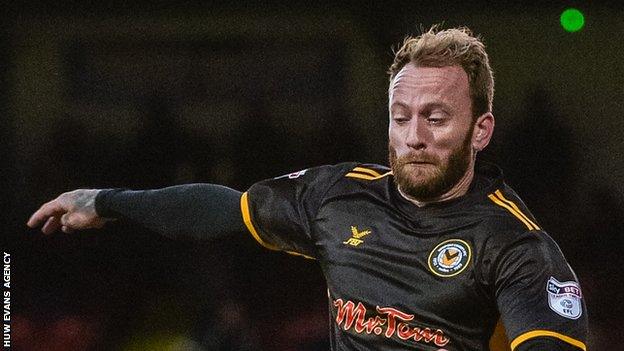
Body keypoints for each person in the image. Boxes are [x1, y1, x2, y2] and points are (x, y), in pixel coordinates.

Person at [28, 26, 588, 350]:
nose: (413, 136)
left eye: (437, 118)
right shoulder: (337, 197)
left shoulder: (518, 247)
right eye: (400, 116)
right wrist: (105, 202)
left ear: (480, 130)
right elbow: (223, 208)